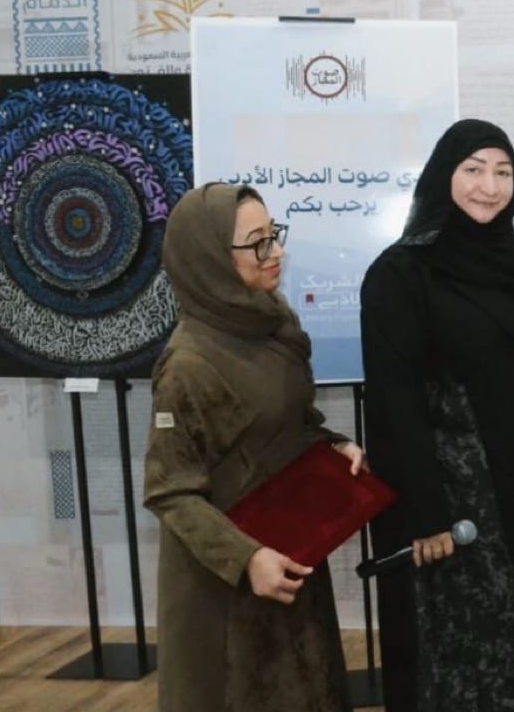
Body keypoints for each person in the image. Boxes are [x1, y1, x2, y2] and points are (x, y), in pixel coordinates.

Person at [360, 119, 514, 712]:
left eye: (504, 172)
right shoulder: (401, 274)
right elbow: (395, 404)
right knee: (475, 653)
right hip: (460, 503)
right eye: (473, 169)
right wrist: (425, 516)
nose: (490, 186)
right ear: (442, 176)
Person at [143, 183, 364, 712]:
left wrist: (332, 446)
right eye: (258, 242)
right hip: (225, 588)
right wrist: (247, 559)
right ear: (211, 259)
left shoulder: (273, 323)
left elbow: (292, 421)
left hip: (288, 558)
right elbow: (169, 491)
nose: (277, 252)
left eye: (274, 235)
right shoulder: (187, 366)